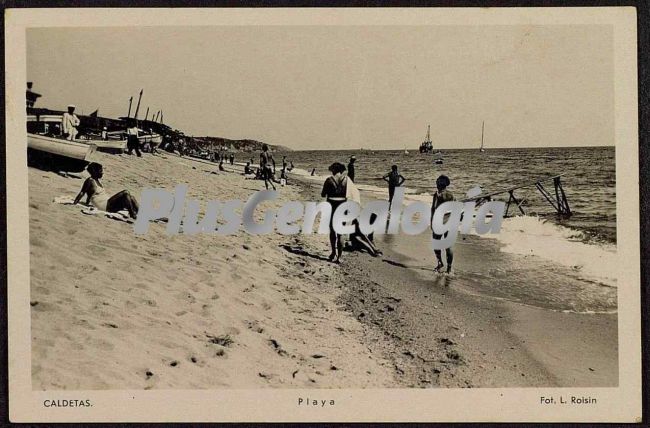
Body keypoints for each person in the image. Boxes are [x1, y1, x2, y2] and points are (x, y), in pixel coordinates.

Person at [73, 162, 139, 219]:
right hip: (104, 206)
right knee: (125, 192)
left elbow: (89, 194)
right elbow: (82, 192)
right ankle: (132, 214)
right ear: (95, 172)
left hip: (108, 203)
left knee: (131, 197)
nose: (102, 173)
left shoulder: (96, 181)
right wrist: (74, 203)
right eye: (100, 171)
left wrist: (87, 203)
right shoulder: (90, 181)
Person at [321, 162, 348, 263]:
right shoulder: (347, 180)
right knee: (341, 233)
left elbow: (323, 194)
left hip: (331, 206)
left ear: (333, 170)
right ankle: (340, 257)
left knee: (332, 232)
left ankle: (333, 253)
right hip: (343, 206)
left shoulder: (329, 180)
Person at [431, 175, 455, 274]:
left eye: (437, 182)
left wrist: (431, 221)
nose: (436, 184)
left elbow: (433, 208)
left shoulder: (438, 194)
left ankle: (441, 263)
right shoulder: (450, 195)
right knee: (448, 246)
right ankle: (448, 268)